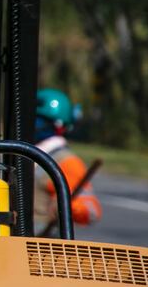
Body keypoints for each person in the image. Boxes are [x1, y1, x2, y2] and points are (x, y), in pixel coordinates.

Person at [33, 88, 102, 232]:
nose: (34, 124)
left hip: (42, 247)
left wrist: (66, 206)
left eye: (40, 120)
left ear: (58, 125)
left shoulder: (66, 161)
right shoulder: (26, 151)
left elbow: (90, 210)